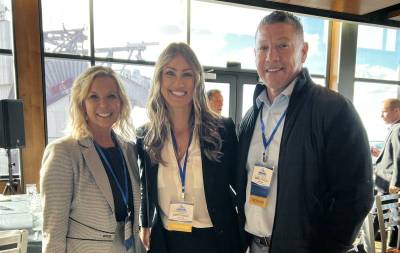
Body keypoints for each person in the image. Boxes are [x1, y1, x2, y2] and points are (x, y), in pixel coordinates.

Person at [235, 11, 373, 253]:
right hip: (253, 247)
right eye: (263, 47)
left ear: (304, 51)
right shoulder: (252, 115)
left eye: (282, 45)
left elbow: (356, 196)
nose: (271, 56)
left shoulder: (334, 110)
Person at [136, 42, 241, 253]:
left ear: (197, 81)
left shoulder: (222, 131)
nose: (178, 82)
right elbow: (145, 186)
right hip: (167, 242)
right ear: (159, 79)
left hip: (217, 241)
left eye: (187, 74)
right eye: (170, 73)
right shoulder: (146, 136)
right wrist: (144, 223)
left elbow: (240, 186)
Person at [40, 66, 145, 253]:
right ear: (82, 104)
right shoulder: (63, 152)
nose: (103, 105)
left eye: (111, 96)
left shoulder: (129, 150)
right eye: (94, 97)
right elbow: (53, 231)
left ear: (120, 103)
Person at [374, 98, 400, 194]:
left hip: (389, 185)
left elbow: (399, 158)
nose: (381, 116)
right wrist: (381, 154)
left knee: (379, 209)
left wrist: (396, 184)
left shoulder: (398, 129)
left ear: (397, 111)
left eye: (384, 112)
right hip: (385, 184)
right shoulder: (395, 128)